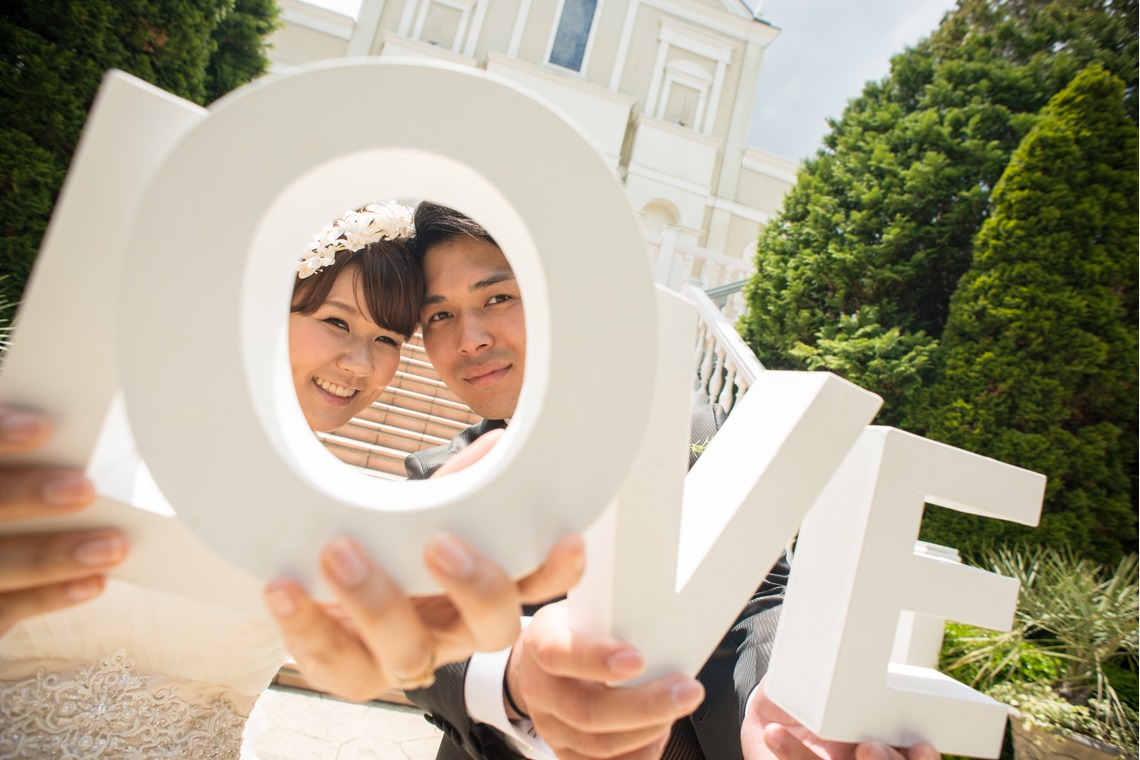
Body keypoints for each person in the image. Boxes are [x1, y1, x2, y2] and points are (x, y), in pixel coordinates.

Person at [0, 202, 583, 757]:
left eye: (386, 340)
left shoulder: (334, 515)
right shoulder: (80, 431)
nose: (360, 364)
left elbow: (402, 630)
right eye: (335, 322)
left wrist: (512, 669)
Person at [394, 202, 939, 760]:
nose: (471, 338)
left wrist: (779, 708)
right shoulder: (436, 477)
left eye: (497, 297)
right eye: (439, 316)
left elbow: (760, 593)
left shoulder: (694, 430)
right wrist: (512, 676)